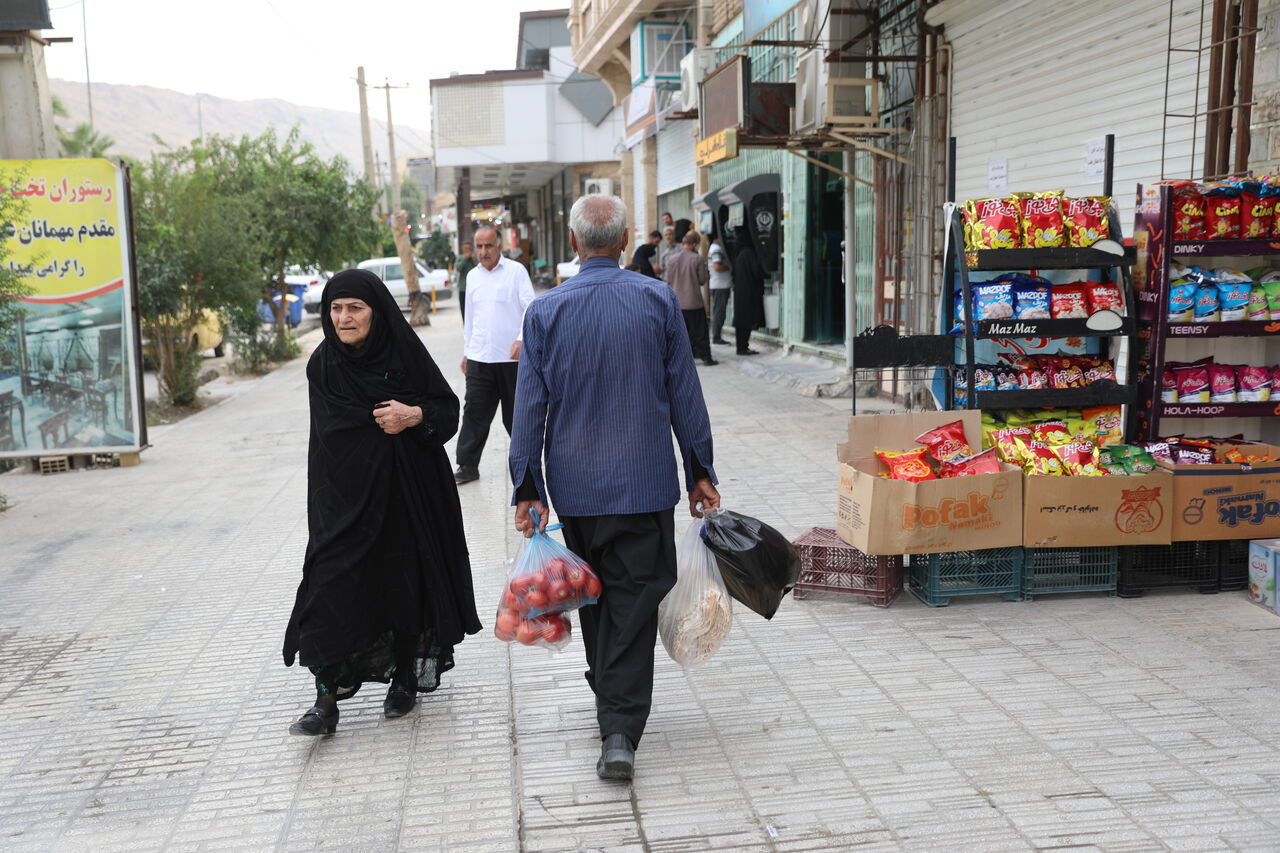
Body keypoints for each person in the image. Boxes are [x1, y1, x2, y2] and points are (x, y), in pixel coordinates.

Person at [508, 194, 720, 782]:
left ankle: (610, 696)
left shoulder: (546, 312)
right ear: (625, 241)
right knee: (630, 600)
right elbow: (686, 395)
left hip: (576, 492)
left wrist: (527, 485)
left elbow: (529, 409)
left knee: (601, 596)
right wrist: (699, 470)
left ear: (575, 244)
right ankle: (620, 727)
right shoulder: (656, 300)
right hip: (643, 486)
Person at [283, 268, 481, 736]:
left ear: (377, 312)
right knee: (329, 588)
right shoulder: (323, 365)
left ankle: (405, 680)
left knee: (403, 583)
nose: (344, 318)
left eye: (355, 308)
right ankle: (324, 699)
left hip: (404, 496)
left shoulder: (404, 356)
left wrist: (413, 415)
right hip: (344, 500)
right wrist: (379, 424)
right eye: (336, 308)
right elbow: (334, 433)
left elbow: (447, 411)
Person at [454, 225, 536, 485]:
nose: (483, 251)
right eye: (479, 246)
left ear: (499, 245)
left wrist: (522, 339)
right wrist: (467, 352)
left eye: (488, 246)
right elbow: (470, 319)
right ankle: (467, 466)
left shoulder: (516, 272)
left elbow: (531, 308)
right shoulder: (473, 277)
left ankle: (527, 466)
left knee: (516, 417)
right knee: (474, 413)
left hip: (512, 362)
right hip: (480, 359)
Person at [663, 230, 716, 366]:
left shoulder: (671, 259)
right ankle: (706, 357)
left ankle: (685, 358)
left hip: (676, 303)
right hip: (694, 302)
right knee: (700, 331)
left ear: (683, 243)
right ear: (693, 244)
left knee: (681, 334)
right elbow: (702, 280)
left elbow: (667, 280)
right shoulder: (697, 258)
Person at [732, 234, 765, 356]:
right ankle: (744, 347)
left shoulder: (738, 254)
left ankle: (740, 347)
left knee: (740, 320)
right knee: (747, 319)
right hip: (749, 290)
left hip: (739, 291)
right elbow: (757, 272)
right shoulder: (750, 253)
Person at [708, 235, 732, 345]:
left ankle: (717, 336)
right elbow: (717, 267)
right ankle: (716, 337)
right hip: (720, 285)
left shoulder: (715, 248)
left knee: (719, 311)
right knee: (719, 312)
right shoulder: (716, 249)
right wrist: (731, 266)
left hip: (720, 284)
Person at [454, 241, 477, 320]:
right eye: (465, 248)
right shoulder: (460, 258)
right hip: (463, 289)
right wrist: (465, 259)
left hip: (474, 288)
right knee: (464, 311)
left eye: (469, 248)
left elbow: (479, 267)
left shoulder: (475, 258)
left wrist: (472, 259)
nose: (467, 249)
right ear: (462, 249)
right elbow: (458, 268)